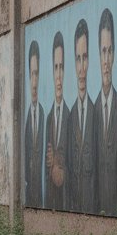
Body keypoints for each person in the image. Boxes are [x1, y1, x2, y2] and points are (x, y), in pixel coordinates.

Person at [94, 8, 117, 215]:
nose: (105, 60)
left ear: (113, 54)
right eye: (102, 51)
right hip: (97, 207)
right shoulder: (93, 109)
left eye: (109, 51)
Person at [67, 18, 99, 214]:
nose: (81, 68)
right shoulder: (70, 116)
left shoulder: (97, 114)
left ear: (89, 61)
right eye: (77, 58)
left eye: (84, 58)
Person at [44, 31, 69, 211]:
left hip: (69, 202)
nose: (58, 75)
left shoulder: (72, 116)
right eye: (55, 67)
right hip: (51, 202)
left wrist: (59, 165)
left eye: (61, 67)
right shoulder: (48, 119)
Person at [23, 40, 45, 208]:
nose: (35, 82)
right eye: (32, 74)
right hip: (29, 196)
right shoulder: (25, 121)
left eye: (37, 74)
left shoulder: (45, 115)